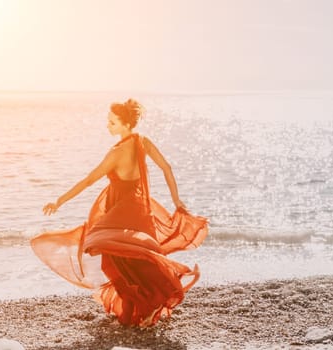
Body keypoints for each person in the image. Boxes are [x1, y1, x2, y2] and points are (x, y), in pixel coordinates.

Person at [31, 99, 208, 327]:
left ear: (125, 124)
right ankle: (145, 307)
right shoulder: (142, 141)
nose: (108, 126)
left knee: (109, 258)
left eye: (112, 122)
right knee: (134, 259)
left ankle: (150, 300)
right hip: (140, 208)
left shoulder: (117, 153)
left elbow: (88, 180)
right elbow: (166, 167)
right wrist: (176, 200)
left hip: (122, 210)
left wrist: (59, 201)